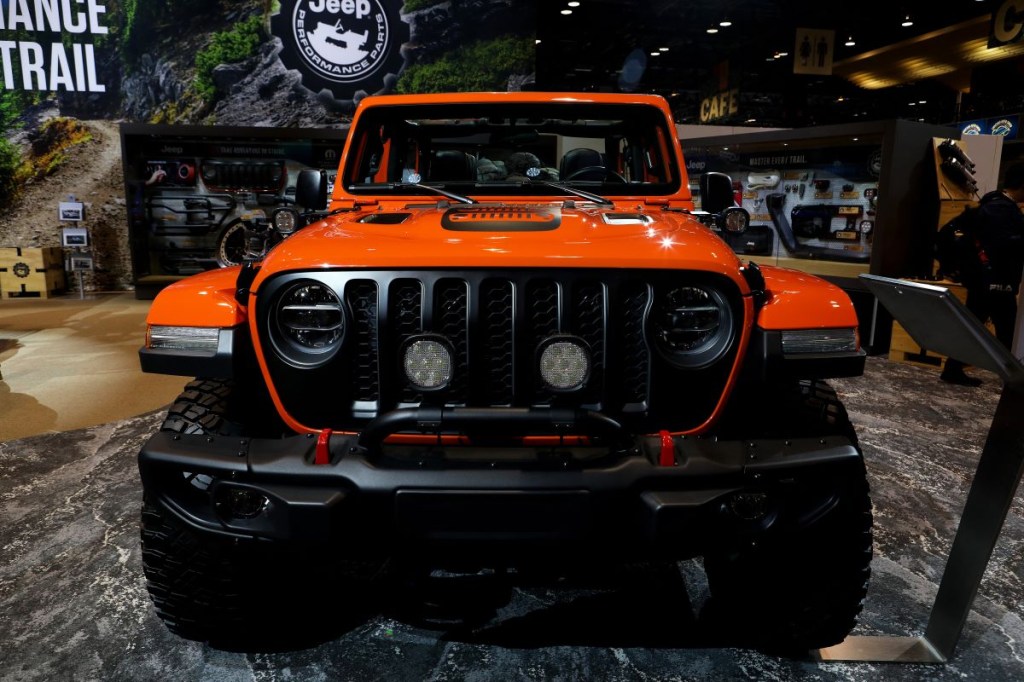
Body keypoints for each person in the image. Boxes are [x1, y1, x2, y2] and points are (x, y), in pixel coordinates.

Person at [941, 160, 1024, 386]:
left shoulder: (991, 204)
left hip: (982, 279)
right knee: (1006, 329)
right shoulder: (1004, 211)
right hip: (996, 281)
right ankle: (1013, 377)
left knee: (975, 326)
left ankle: (953, 368)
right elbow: (1006, 246)